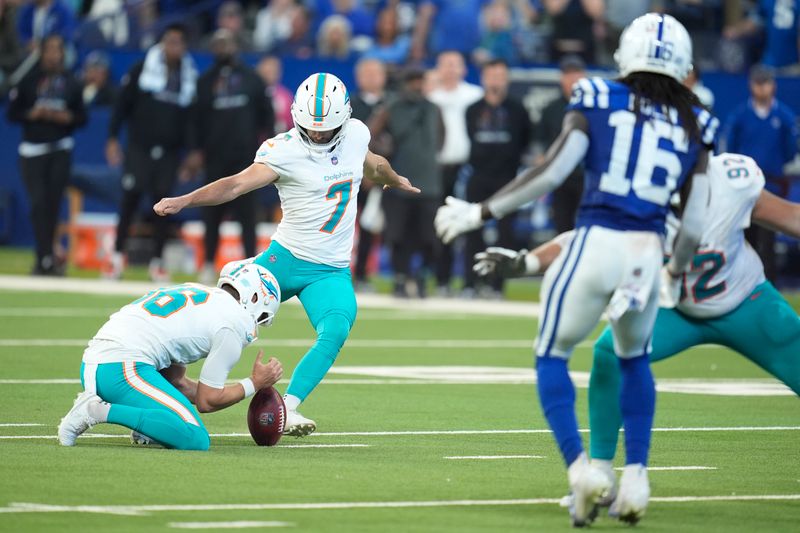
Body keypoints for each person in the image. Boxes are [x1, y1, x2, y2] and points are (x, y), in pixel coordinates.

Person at [435, 13, 718, 525]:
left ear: (625, 55)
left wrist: (481, 212)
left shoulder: (598, 98)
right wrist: (674, 271)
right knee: (635, 359)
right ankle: (636, 479)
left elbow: (553, 170)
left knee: (552, 354)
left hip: (596, 241)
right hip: (648, 251)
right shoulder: (696, 120)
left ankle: (580, 468)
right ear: (683, 64)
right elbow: (695, 221)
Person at [473, 152, 800, 512]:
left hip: (745, 300)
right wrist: (528, 261)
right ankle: (600, 474)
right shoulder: (636, 187)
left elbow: (790, 216)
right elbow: (582, 240)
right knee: (608, 354)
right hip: (674, 306)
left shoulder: (733, 180)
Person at [153, 72, 420, 436]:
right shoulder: (283, 150)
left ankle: (288, 408)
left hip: (330, 270)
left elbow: (371, 162)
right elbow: (235, 184)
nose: (318, 134)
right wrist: (186, 199)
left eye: (327, 128)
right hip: (283, 261)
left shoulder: (356, 133)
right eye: (311, 127)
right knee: (220, 319)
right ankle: (162, 388)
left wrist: (392, 177)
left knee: (337, 329)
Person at [57, 263, 284, 450]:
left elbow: (176, 382)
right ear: (255, 298)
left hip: (102, 363)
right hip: (121, 368)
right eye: (262, 317)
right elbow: (207, 401)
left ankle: (151, 425)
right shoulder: (235, 321)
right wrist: (254, 383)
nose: (258, 324)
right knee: (195, 438)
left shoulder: (202, 295)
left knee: (178, 416)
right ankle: (94, 411)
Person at [105, 24, 198, 282]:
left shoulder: (188, 75)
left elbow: (191, 119)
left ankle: (157, 262)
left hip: (169, 153)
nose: (173, 47)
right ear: (162, 43)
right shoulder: (141, 69)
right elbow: (122, 106)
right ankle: (115, 258)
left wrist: (191, 152)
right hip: (140, 148)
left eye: (179, 42)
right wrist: (112, 138)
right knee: (130, 201)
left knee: (165, 207)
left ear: (184, 47)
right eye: (169, 41)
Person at [190, 29, 273, 285]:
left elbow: (266, 115)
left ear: (236, 46)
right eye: (218, 44)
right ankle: (207, 264)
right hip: (215, 158)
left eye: (227, 43)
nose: (222, 48)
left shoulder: (252, 79)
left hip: (245, 159)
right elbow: (195, 120)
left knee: (248, 216)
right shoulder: (204, 82)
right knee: (211, 214)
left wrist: (267, 148)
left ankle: (251, 265)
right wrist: (195, 150)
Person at [6, 34, 86, 276]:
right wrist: (33, 114)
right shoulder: (29, 80)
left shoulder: (72, 81)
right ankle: (43, 256)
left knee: (52, 204)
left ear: (63, 53)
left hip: (60, 147)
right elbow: (13, 113)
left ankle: (48, 258)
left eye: (57, 49)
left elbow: (82, 117)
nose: (53, 54)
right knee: (38, 203)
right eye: (49, 50)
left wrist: (67, 118)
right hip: (32, 150)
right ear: (41, 53)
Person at [370, 67, 443, 298]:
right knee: (397, 235)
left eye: (420, 80)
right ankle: (400, 279)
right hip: (398, 183)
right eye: (412, 81)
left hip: (429, 183)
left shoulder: (433, 109)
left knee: (428, 236)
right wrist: (384, 152)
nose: (417, 85)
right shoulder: (392, 108)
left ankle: (421, 277)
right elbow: (370, 134)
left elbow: (441, 138)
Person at [462, 59, 532, 297]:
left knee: (505, 234)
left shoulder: (518, 109)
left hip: (508, 180)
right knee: (472, 231)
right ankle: (472, 283)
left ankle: (497, 286)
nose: (495, 80)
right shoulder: (472, 109)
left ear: (507, 79)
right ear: (483, 79)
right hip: (478, 177)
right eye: (491, 75)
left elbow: (525, 142)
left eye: (500, 75)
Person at [725, 64, 798, 282]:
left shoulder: (783, 116)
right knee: (743, 241)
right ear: (751, 86)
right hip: (744, 189)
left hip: (772, 185)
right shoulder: (740, 116)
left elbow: (790, 150)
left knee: (768, 243)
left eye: (766, 83)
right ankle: (740, 286)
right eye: (758, 83)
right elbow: (730, 149)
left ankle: (770, 288)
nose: (762, 89)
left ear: (773, 86)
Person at [428, 50, 484, 295]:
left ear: (463, 69)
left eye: (455, 64)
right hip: (438, 168)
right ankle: (442, 279)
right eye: (445, 65)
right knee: (441, 226)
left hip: (468, 167)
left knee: (472, 225)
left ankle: (472, 282)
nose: (450, 70)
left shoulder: (474, 95)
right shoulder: (432, 97)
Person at [351, 58, 390, 291]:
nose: (372, 78)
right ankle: (348, 273)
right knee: (349, 226)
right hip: (353, 176)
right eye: (367, 73)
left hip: (385, 175)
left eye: (376, 72)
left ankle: (369, 275)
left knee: (380, 226)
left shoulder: (392, 103)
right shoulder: (351, 105)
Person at [538, 55, 586, 234]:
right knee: (562, 227)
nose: (573, 79)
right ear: (561, 78)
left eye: (577, 74)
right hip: (560, 178)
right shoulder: (550, 109)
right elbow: (540, 143)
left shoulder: (593, 107)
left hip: (586, 178)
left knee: (585, 228)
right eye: (568, 74)